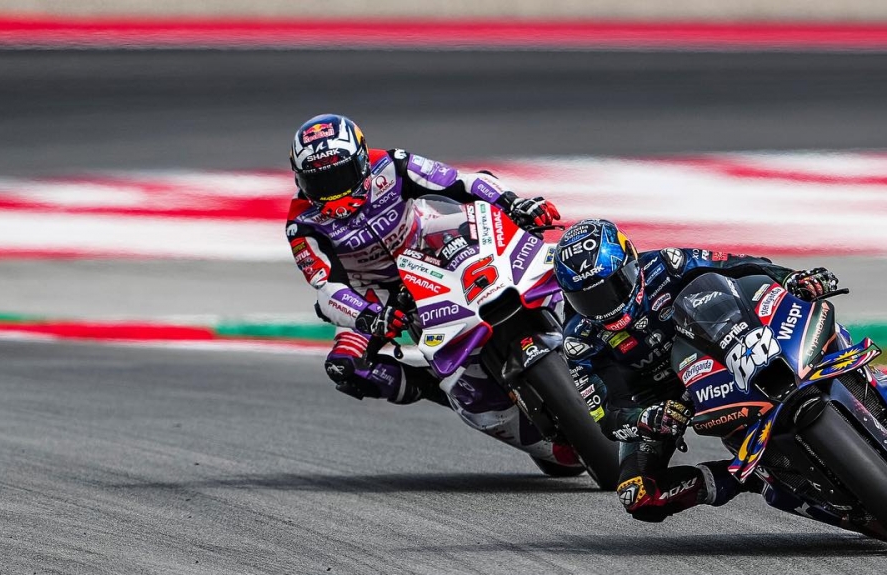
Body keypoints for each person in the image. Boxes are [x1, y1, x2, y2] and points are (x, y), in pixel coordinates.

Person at [286, 113, 579, 471]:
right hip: (375, 293)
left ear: (361, 161)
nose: (334, 192)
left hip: (429, 244)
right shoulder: (302, 224)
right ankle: (435, 385)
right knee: (345, 367)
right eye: (319, 182)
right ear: (299, 178)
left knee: (511, 219)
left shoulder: (392, 165)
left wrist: (514, 203)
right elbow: (326, 288)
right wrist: (367, 316)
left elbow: (462, 181)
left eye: (340, 176)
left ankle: (579, 320)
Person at [553, 219, 844, 522]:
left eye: (613, 287)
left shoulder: (667, 264)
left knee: (795, 309)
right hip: (663, 403)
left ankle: (843, 370)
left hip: (716, 352)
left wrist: (792, 279)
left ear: (631, 265)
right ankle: (748, 476)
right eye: (587, 298)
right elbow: (606, 416)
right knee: (638, 495)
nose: (605, 305)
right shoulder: (579, 341)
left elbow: (741, 266)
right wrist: (644, 418)